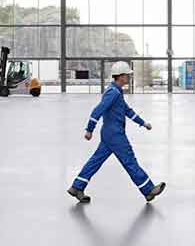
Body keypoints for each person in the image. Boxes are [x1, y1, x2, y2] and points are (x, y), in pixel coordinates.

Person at [67, 62, 166, 204]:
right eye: (127, 75)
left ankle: (77, 187)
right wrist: (89, 129)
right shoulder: (113, 93)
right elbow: (98, 110)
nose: (129, 78)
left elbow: (127, 110)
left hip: (109, 134)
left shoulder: (116, 91)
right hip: (115, 135)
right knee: (129, 161)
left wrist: (143, 123)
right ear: (120, 76)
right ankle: (148, 190)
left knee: (95, 161)